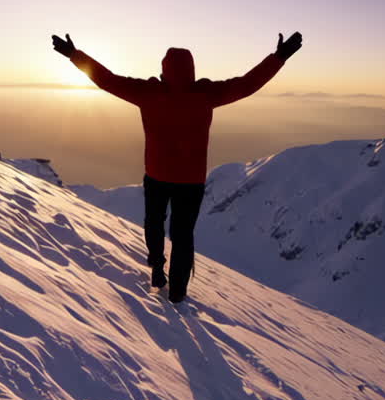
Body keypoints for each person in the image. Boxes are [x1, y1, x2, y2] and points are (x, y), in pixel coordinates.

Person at [51, 31, 303, 303]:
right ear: (192, 70)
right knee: (183, 236)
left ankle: (157, 266)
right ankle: (178, 292)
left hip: (157, 175)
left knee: (154, 223)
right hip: (191, 182)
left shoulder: (148, 92)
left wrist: (74, 55)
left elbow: (107, 80)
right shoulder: (206, 94)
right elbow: (247, 84)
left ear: (163, 70)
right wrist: (279, 57)